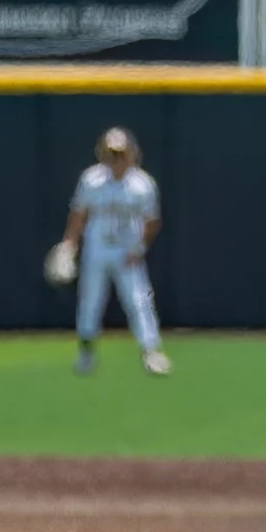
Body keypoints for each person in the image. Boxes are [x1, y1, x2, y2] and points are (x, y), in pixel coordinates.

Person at [60, 127, 171, 377]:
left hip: (127, 250)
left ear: (131, 153)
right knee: (90, 300)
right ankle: (86, 352)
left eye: (121, 153)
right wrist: (69, 244)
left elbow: (152, 221)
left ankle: (151, 352)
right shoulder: (91, 179)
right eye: (110, 153)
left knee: (139, 300)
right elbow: (79, 214)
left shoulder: (142, 184)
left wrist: (139, 248)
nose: (116, 158)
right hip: (97, 247)